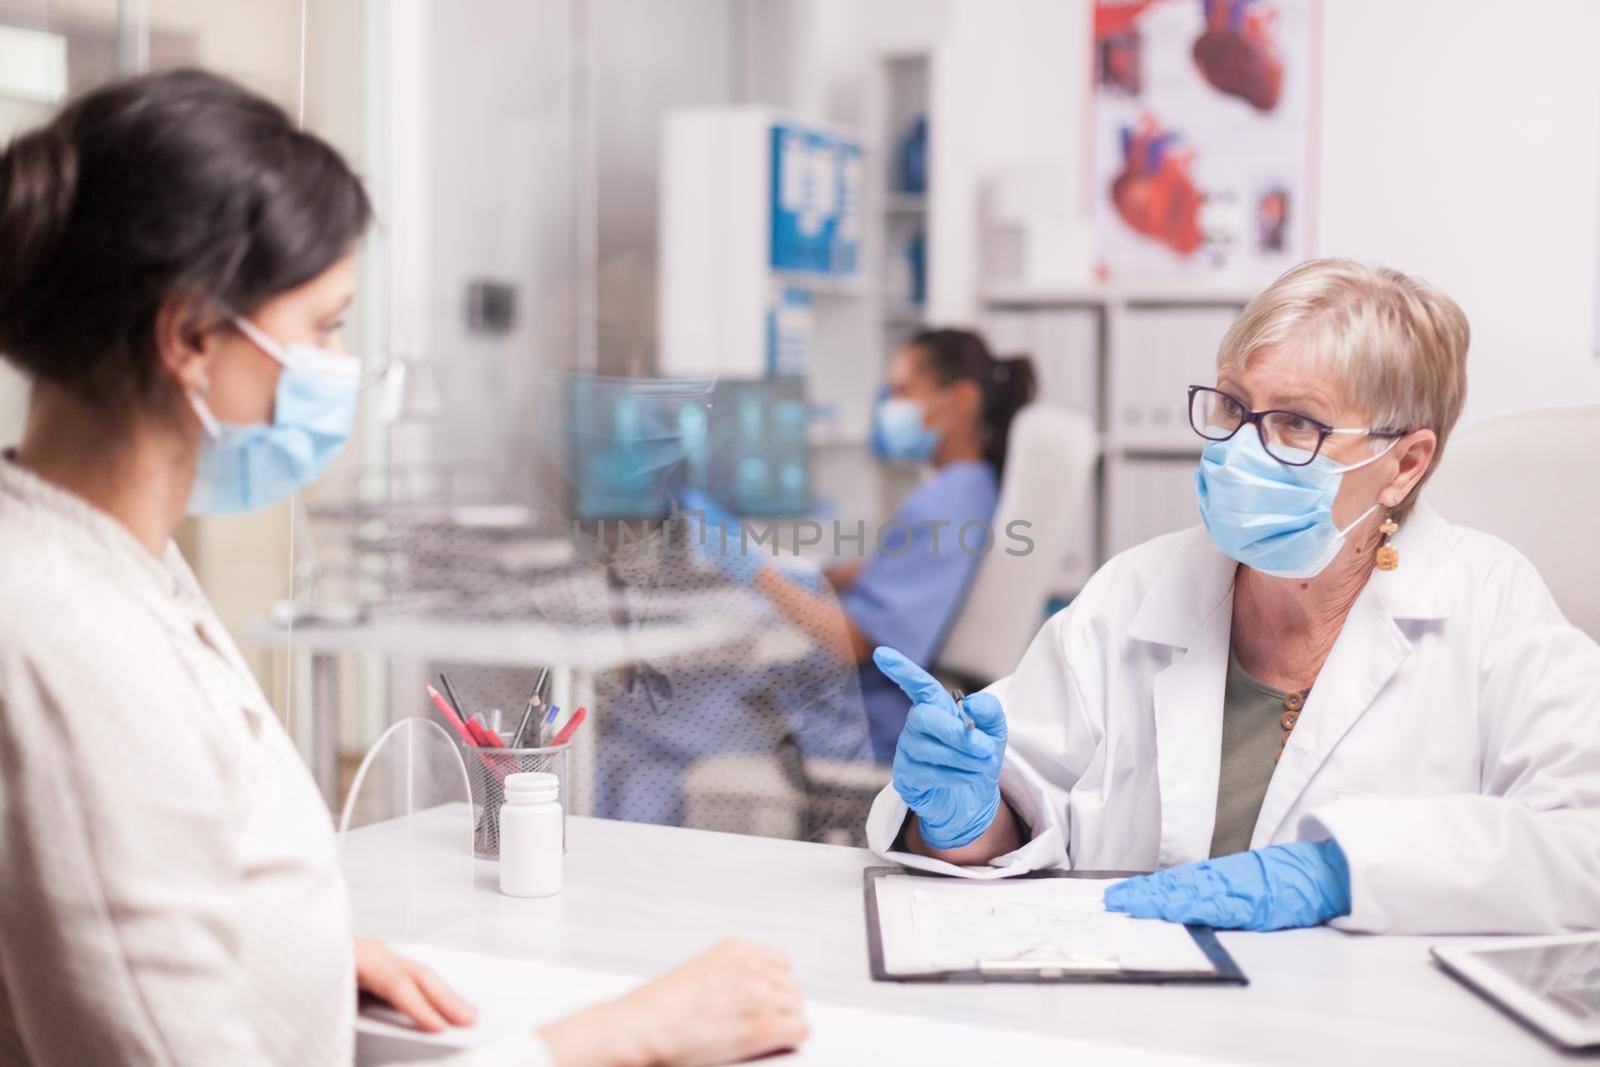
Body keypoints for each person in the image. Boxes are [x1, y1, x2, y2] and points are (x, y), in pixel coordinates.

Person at [0, 69, 806, 1065]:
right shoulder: (67, 644)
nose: (345, 364)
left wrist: (287, 955)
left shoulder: (110, 559)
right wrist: (619, 1038)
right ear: (193, 336)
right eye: (327, 325)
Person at [866, 258, 1600, 935]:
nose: (1241, 449)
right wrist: (966, 819)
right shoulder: (1137, 591)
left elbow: (1585, 845)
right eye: (1233, 408)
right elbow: (1024, 805)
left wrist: (1344, 872)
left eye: (1297, 423)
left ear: (1404, 464)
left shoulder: (1490, 605)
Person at [688, 329, 1036, 763]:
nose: (888, 406)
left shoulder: (941, 503)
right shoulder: (971, 490)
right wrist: (826, 575)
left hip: (857, 724)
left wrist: (749, 566)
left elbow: (851, 644)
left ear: (961, 401)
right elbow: (910, 577)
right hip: (873, 713)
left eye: (903, 391)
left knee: (644, 724)